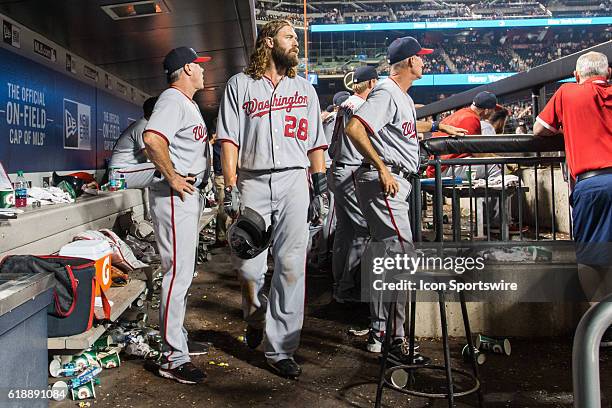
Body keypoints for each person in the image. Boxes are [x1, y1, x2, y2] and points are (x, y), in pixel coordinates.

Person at [217, 19, 327, 379]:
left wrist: (320, 184)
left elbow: (316, 143)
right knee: (248, 265)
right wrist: (230, 187)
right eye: (289, 37)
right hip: (252, 181)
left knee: (292, 264)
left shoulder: (305, 89)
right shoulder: (240, 85)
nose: (296, 43)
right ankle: (255, 316)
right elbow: (228, 139)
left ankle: (281, 349)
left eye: (296, 37)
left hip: (296, 179)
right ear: (268, 42)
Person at [345, 36, 466, 360]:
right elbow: (355, 129)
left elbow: (406, 126)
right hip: (387, 182)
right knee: (404, 257)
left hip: (393, 181)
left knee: (389, 261)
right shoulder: (386, 90)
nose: (424, 62)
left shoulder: (398, 96)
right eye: (421, 58)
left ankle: (380, 331)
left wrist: (440, 125)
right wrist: (382, 168)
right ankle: (396, 341)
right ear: (410, 62)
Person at [142, 46, 211, 384]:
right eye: (199, 66)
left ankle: (177, 339)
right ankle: (171, 357)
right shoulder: (171, 99)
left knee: (182, 273)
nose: (203, 71)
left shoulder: (186, 103)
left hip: (185, 194)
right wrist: (172, 176)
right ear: (187, 68)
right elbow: (152, 139)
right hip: (174, 194)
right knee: (177, 275)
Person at [534, 51, 612, 344]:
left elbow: (539, 129)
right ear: (608, 73)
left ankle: (601, 324)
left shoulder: (568, 92)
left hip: (593, 185)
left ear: (578, 75)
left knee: (592, 259)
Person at [328, 66, 378, 303]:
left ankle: (339, 283)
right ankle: (346, 287)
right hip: (349, 169)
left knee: (344, 230)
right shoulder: (360, 105)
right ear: (370, 84)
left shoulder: (346, 103)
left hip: (338, 167)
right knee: (364, 230)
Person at [425, 91, 501, 179]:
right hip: (443, 168)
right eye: (493, 110)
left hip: (439, 165)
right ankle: (497, 193)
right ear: (486, 110)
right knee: (495, 166)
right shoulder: (471, 118)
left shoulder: (461, 113)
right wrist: (500, 159)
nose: (494, 112)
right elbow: (477, 154)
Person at [108, 97, 158, 189]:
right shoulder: (142, 127)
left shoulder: (147, 125)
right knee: (164, 168)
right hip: (117, 176)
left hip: (128, 172)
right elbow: (152, 155)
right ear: (155, 112)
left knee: (168, 168)